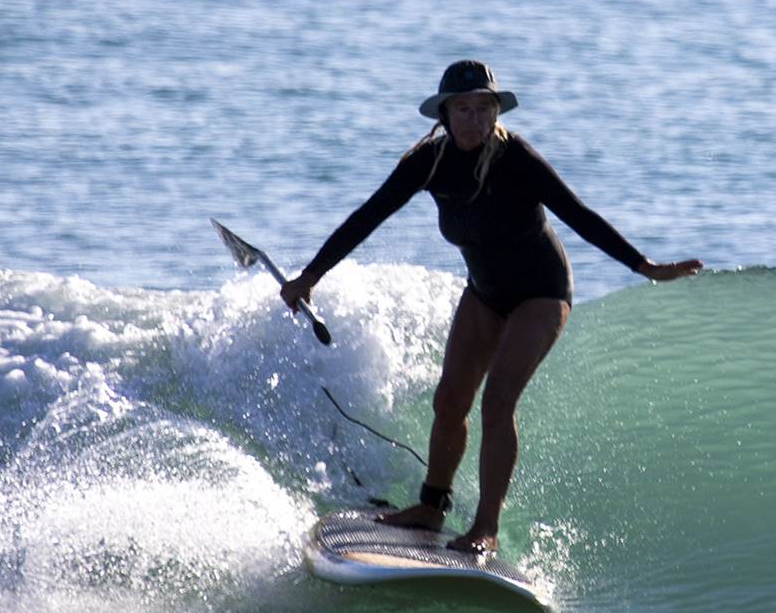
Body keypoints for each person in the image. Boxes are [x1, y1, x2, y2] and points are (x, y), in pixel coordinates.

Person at [279, 60, 701, 554]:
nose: (474, 119)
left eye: (484, 108)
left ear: (495, 111)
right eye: (463, 109)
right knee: (449, 399)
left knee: (498, 399)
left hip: (542, 292)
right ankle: (431, 509)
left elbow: (578, 215)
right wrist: (311, 275)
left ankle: (485, 528)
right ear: (444, 114)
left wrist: (643, 266)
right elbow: (369, 215)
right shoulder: (429, 163)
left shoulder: (515, 157)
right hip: (484, 293)